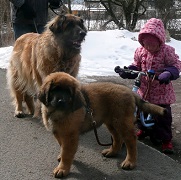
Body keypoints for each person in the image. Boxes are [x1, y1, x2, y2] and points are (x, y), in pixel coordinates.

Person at [116, 18, 181, 154]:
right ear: (142, 41)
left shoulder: (167, 51)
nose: (149, 48)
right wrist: (128, 71)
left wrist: (169, 73)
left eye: (152, 45)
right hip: (144, 91)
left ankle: (166, 140)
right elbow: (136, 66)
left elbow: (176, 65)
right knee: (141, 112)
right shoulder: (140, 51)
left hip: (161, 93)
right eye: (146, 44)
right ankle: (144, 130)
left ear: (159, 41)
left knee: (162, 117)